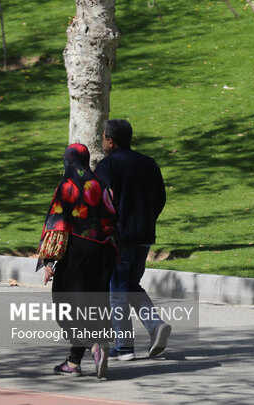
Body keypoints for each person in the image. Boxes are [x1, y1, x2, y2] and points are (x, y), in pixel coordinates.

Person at [38, 143, 118, 378]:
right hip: (105, 252)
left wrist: (49, 261)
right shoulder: (102, 184)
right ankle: (74, 362)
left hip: (78, 251)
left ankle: (93, 344)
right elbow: (114, 219)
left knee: (66, 305)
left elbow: (57, 222)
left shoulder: (68, 185)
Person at [95, 119, 170, 361]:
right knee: (130, 285)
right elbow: (160, 198)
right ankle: (155, 325)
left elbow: (99, 202)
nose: (103, 140)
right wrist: (148, 219)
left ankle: (124, 346)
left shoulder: (107, 166)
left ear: (110, 141)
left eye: (104, 137)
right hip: (144, 235)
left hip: (119, 238)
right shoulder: (149, 163)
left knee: (116, 289)